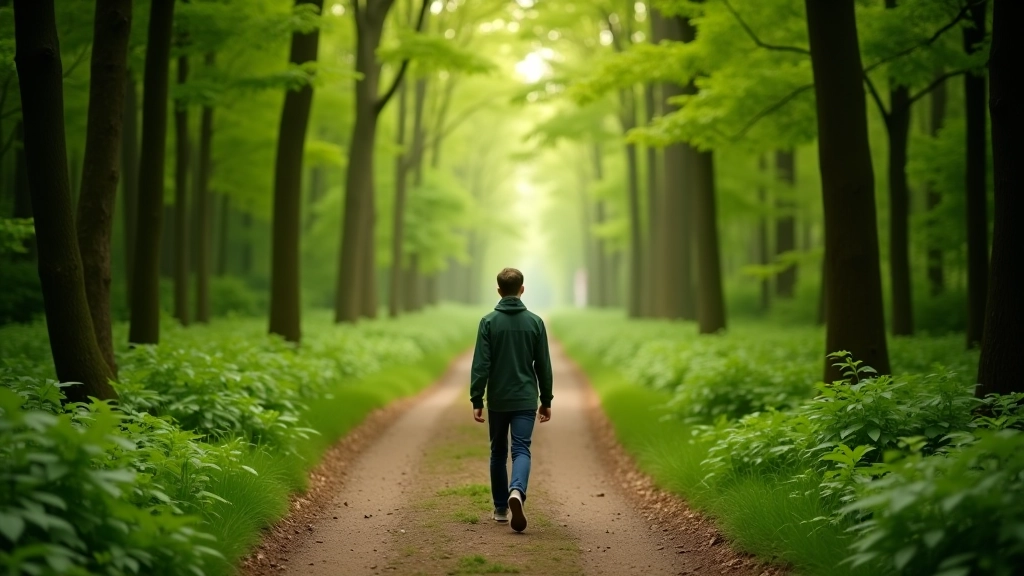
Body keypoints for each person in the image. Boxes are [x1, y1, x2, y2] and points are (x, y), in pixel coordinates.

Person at [470, 267, 553, 533]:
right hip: (526, 399)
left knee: (497, 452)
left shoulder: (488, 322)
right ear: (522, 289)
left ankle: (500, 509)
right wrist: (546, 399)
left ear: (498, 291)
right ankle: (517, 491)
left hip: (498, 399)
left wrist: (476, 399)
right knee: (521, 449)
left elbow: (481, 365)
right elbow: (543, 365)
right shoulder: (535, 322)